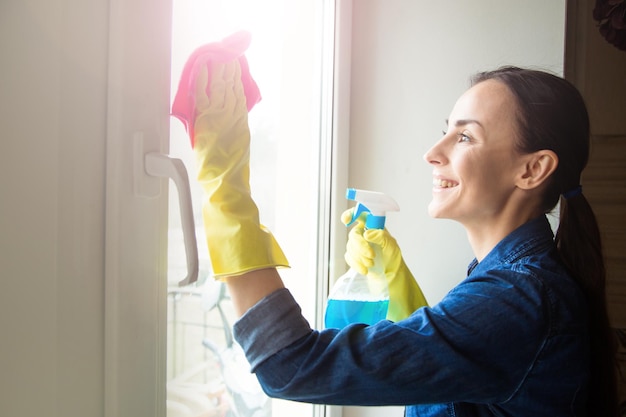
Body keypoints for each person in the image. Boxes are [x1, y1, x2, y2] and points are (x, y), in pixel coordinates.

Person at [175, 38, 618, 416]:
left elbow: (289, 364)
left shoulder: (518, 302)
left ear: (533, 168)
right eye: (446, 131)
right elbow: (451, 367)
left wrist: (226, 186)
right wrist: (395, 277)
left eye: (464, 136)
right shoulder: (517, 285)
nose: (432, 152)